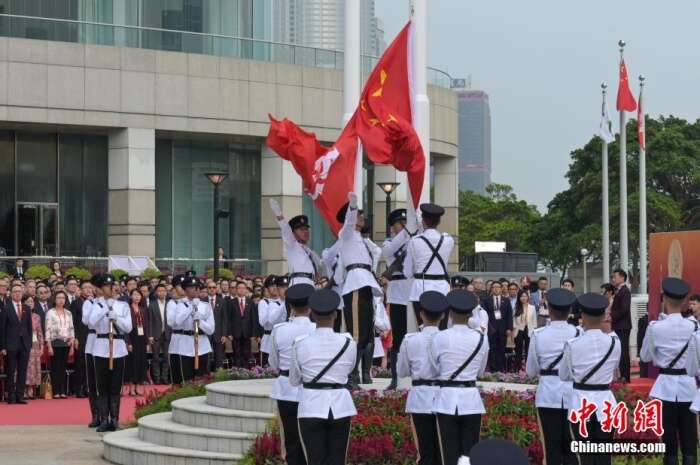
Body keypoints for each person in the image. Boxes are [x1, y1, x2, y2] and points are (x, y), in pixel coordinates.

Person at [290, 288, 357, 465]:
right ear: (335, 315)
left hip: (311, 404)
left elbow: (294, 380)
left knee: (314, 460)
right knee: (337, 460)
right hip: (340, 404)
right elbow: (349, 370)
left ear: (312, 314)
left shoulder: (300, 344)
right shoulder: (349, 343)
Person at [559, 292, 621, 465]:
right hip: (606, 403)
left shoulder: (572, 344)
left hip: (580, 403)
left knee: (584, 458)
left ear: (583, 316)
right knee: (604, 458)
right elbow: (614, 368)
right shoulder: (615, 342)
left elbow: (564, 375)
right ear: (603, 316)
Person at [640, 277, 697, 465]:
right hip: (688, 387)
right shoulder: (694, 326)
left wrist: (660, 356)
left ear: (664, 298)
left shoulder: (655, 327)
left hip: (664, 388)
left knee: (669, 442)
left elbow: (645, 357)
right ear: (684, 301)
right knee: (689, 442)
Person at [429, 289, 488, 464]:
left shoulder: (439, 337)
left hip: (446, 399)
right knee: (469, 455)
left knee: (448, 454)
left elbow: (435, 368)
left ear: (450, 313)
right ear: (471, 313)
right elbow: (480, 371)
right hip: (471, 399)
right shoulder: (481, 338)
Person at [525, 288, 580, 465]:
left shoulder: (538, 335)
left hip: (548, 394)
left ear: (548, 309)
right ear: (570, 310)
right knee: (573, 447)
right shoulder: (579, 333)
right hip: (574, 393)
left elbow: (531, 371)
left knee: (551, 447)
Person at [335, 192, 382, 388]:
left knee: (366, 333)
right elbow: (348, 225)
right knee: (355, 333)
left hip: (367, 284)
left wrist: (366, 238)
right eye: (359, 215)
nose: (363, 218)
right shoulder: (345, 235)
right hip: (354, 284)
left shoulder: (362, 239)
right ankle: (351, 375)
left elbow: (378, 253)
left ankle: (361, 372)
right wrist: (352, 208)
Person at [269, 283, 316, 465]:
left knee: (290, 440)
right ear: (311, 305)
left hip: (285, 388)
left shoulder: (279, 330)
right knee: (311, 440)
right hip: (311, 389)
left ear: (290, 305)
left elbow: (273, 363)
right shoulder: (315, 330)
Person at [397, 290, 446, 465]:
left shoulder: (410, 339)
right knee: (443, 452)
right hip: (444, 397)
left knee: (424, 452)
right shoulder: (447, 339)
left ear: (421, 314)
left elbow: (402, 371)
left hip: (420, 398)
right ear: (442, 315)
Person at [89, 274, 132, 432]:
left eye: (112, 285)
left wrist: (116, 319)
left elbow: (128, 327)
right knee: (102, 386)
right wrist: (106, 309)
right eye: (107, 286)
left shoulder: (123, 305)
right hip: (101, 347)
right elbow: (91, 323)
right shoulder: (96, 304)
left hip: (119, 347)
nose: (111, 288)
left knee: (115, 386)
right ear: (101, 288)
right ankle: (103, 418)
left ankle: (114, 418)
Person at [404, 204, 454, 328]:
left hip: (421, 288)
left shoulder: (415, 241)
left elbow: (407, 272)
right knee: (441, 329)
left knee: (424, 330)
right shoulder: (448, 240)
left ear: (423, 221)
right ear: (439, 221)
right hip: (443, 289)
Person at [269, 199, 325, 287]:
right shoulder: (292, 245)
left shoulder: (309, 251)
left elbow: (321, 266)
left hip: (311, 284)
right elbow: (285, 229)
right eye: (301, 229)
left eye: (306, 229)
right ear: (293, 233)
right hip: (298, 283)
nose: (305, 232)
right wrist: (279, 215)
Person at [173, 276, 215, 381]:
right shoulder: (180, 305)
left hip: (202, 344)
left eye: (197, 287)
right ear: (185, 290)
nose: (195, 290)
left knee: (203, 377)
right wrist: (191, 309)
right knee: (186, 378)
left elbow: (211, 329)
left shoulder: (206, 306)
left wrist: (199, 321)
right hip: (185, 344)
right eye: (191, 287)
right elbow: (177, 321)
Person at [0, 283, 33, 404]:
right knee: (11, 370)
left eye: (19, 291)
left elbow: (29, 328)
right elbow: (2, 329)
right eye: (15, 291)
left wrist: (29, 343)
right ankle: (11, 396)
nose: (17, 293)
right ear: (11, 293)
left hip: (24, 344)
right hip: (10, 344)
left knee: (23, 370)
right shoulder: (6, 308)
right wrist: (2, 346)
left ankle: (20, 396)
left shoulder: (27, 308)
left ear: (22, 293)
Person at [45, 290, 75, 398]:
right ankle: (56, 391)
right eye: (59, 298)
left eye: (63, 298)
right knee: (55, 367)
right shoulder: (50, 312)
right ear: (54, 299)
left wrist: (71, 345)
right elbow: (47, 329)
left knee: (63, 367)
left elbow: (71, 329)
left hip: (66, 343)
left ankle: (63, 390)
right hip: (54, 342)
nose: (61, 300)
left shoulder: (68, 313)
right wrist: (49, 346)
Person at [481, 281, 513, 372]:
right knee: (492, 349)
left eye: (498, 287)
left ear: (501, 288)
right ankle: (492, 369)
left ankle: (501, 369)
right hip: (491, 329)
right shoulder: (486, 300)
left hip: (503, 329)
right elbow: (484, 315)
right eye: (494, 287)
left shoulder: (506, 300)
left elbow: (509, 315)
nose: (496, 289)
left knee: (501, 349)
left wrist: (509, 328)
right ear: (491, 288)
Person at [83, 274, 101, 427]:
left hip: (109, 342)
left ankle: (107, 414)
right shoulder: (89, 303)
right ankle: (95, 415)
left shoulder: (113, 303)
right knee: (93, 381)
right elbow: (87, 321)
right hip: (93, 341)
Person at [258, 275, 287, 366]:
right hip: (268, 338)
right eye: (272, 286)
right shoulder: (264, 302)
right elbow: (263, 322)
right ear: (267, 288)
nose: (274, 288)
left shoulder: (283, 302)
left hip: (283, 338)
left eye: (276, 286)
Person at [125, 289, 149, 396]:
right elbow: (125, 328)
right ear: (130, 296)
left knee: (141, 362)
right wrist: (128, 342)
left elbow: (147, 326)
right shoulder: (127, 309)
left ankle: (138, 386)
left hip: (142, 337)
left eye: (139, 295)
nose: (137, 297)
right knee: (132, 362)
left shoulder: (143, 309)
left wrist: (147, 341)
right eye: (134, 295)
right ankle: (131, 388)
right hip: (132, 335)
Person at [610, 268, 632, 382]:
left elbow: (624, 309)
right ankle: (622, 374)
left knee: (623, 351)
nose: (613, 279)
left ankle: (625, 376)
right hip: (618, 325)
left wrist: (611, 315)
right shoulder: (618, 290)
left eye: (615, 276)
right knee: (619, 351)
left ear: (622, 278)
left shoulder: (625, 291)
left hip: (623, 326)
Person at [71, 279, 92, 398]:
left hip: (92, 336)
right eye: (86, 288)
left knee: (89, 364)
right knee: (80, 363)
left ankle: (87, 387)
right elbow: (73, 322)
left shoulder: (94, 302)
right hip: (80, 336)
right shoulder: (76, 303)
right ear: (81, 290)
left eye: (90, 287)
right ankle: (78, 388)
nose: (88, 290)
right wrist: (75, 337)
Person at [167, 275, 188, 384]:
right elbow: (171, 322)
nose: (183, 288)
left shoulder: (193, 301)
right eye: (180, 286)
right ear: (175, 288)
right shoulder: (172, 303)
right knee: (177, 371)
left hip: (191, 339)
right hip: (178, 337)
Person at [148, 283, 170, 384]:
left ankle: (164, 378)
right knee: (155, 357)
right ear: (156, 292)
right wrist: (150, 335)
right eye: (159, 291)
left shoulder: (170, 304)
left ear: (166, 292)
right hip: (156, 334)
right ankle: (156, 378)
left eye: (163, 291)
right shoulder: (152, 304)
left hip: (167, 333)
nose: (161, 292)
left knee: (166, 357)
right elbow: (150, 321)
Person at [205, 279, 230, 370]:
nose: (212, 289)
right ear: (207, 289)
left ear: (216, 289)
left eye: (214, 287)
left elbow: (224, 319)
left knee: (219, 355)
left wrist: (224, 334)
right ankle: (205, 373)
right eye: (210, 287)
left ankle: (218, 374)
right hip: (206, 333)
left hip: (218, 333)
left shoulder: (222, 301)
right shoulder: (202, 301)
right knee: (206, 355)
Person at [230, 280, 256, 368]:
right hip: (235, 333)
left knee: (246, 353)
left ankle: (246, 371)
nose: (241, 290)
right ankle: (237, 372)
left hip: (247, 333)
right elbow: (228, 319)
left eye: (243, 288)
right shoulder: (231, 302)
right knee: (236, 354)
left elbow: (253, 318)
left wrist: (253, 334)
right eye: (239, 288)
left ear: (246, 290)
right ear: (236, 290)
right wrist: (229, 333)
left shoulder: (251, 302)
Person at [512, 289, 536, 371]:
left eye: (525, 296)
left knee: (528, 350)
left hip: (529, 329)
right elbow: (513, 321)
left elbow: (534, 321)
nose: (524, 298)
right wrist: (516, 327)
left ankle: (528, 369)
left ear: (528, 297)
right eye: (522, 296)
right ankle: (517, 368)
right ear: (519, 297)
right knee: (518, 350)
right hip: (519, 330)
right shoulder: (516, 308)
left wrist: (533, 330)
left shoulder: (532, 308)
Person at [25, 295, 43, 400]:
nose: (30, 303)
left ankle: (31, 389)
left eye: (32, 302)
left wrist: (41, 346)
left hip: (34, 343)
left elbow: (40, 332)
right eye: (28, 301)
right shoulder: (21, 315)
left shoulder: (37, 316)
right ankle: (23, 389)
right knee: (24, 366)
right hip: (23, 344)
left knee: (33, 367)